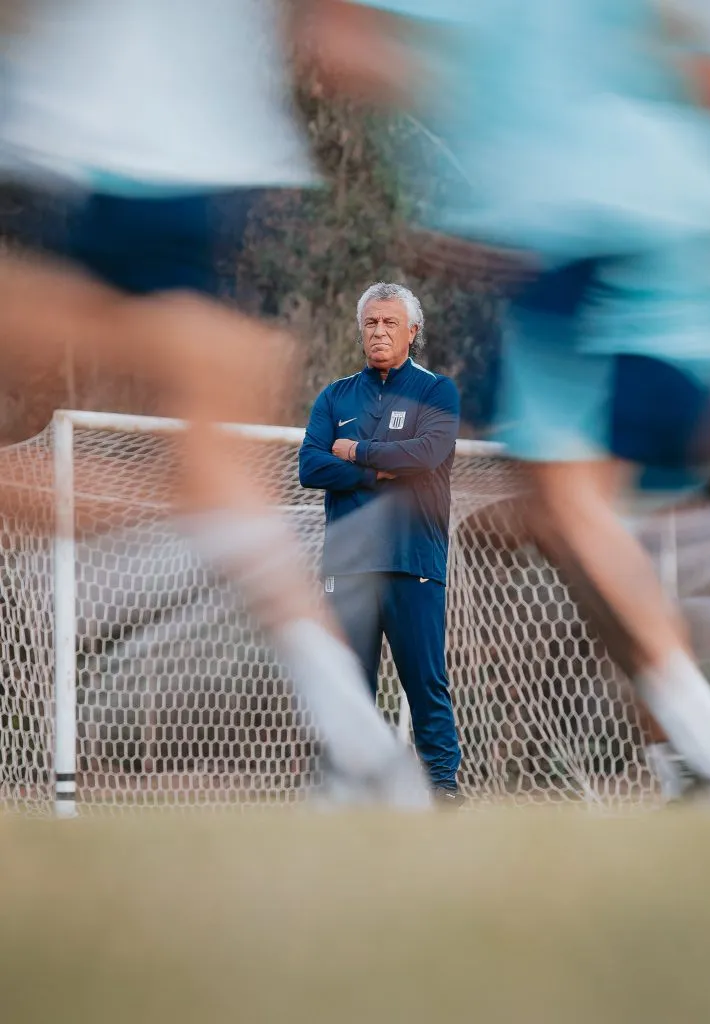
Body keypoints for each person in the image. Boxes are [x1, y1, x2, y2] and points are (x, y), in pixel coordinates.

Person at [334, 0, 710, 804]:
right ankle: (694, 762)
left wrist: (471, 153)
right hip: (687, 239)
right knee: (579, 516)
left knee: (572, 507)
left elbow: (355, 47)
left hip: (583, 229)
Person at [0, 0, 431, 807]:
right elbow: (342, 45)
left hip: (67, 165)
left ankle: (204, 510)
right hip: (232, 182)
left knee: (213, 482)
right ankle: (364, 750)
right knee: (220, 479)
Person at [299, 282, 463, 800]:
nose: (379, 331)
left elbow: (426, 455)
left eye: (391, 322)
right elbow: (310, 465)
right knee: (347, 688)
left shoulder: (437, 391)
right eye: (371, 322)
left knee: (426, 685)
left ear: (412, 331)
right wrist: (375, 472)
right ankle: (347, 790)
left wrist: (356, 450)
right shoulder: (335, 396)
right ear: (360, 329)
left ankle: (443, 789)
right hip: (348, 565)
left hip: (414, 558)